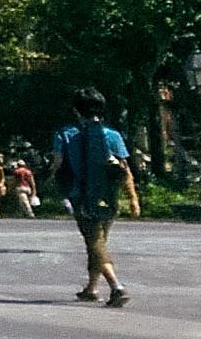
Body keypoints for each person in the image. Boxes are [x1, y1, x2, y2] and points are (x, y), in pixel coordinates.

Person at [52, 87, 138, 307]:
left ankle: (116, 286)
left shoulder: (65, 134)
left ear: (76, 110)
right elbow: (125, 168)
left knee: (94, 241)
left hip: (81, 195)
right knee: (99, 240)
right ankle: (91, 288)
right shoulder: (113, 135)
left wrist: (51, 177)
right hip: (108, 194)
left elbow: (58, 163)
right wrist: (133, 197)